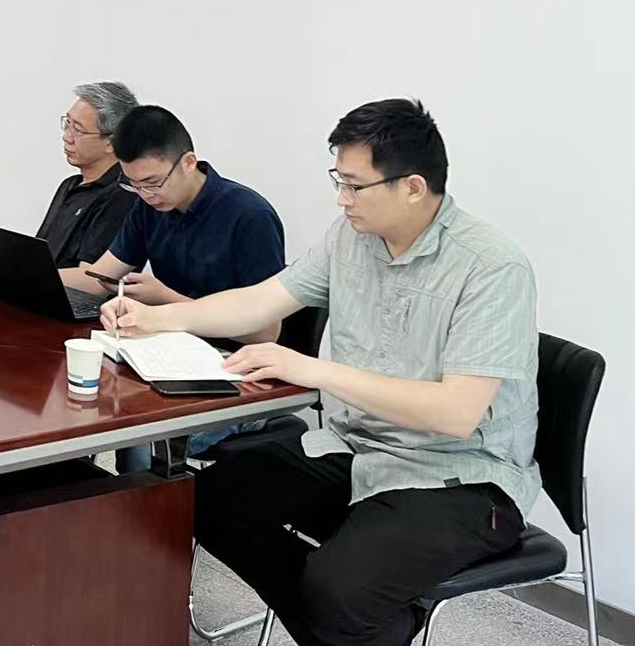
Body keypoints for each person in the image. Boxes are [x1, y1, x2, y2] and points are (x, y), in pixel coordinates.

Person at [104, 100, 539, 646]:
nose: (341, 198)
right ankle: (368, 628)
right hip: (361, 447)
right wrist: (154, 318)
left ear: (412, 187)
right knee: (208, 501)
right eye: (339, 180)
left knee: (336, 592)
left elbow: (456, 413)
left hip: (461, 476)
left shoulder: (491, 267)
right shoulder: (349, 239)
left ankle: (347, 617)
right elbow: (260, 302)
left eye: (354, 186)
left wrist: (314, 370)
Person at [63, 106, 285, 326]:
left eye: (153, 182)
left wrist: (165, 298)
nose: (146, 194)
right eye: (134, 185)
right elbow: (98, 278)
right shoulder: (148, 207)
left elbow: (265, 331)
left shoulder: (250, 216)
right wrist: (43, 277)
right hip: (168, 337)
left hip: (231, 346)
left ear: (188, 163)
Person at [0, 82, 137, 279]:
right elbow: (44, 260)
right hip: (38, 290)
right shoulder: (70, 185)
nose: (66, 137)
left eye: (78, 130)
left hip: (71, 296)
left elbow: (93, 280)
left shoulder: (122, 195)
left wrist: (16, 272)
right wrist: (1, 261)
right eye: (67, 123)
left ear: (112, 142)